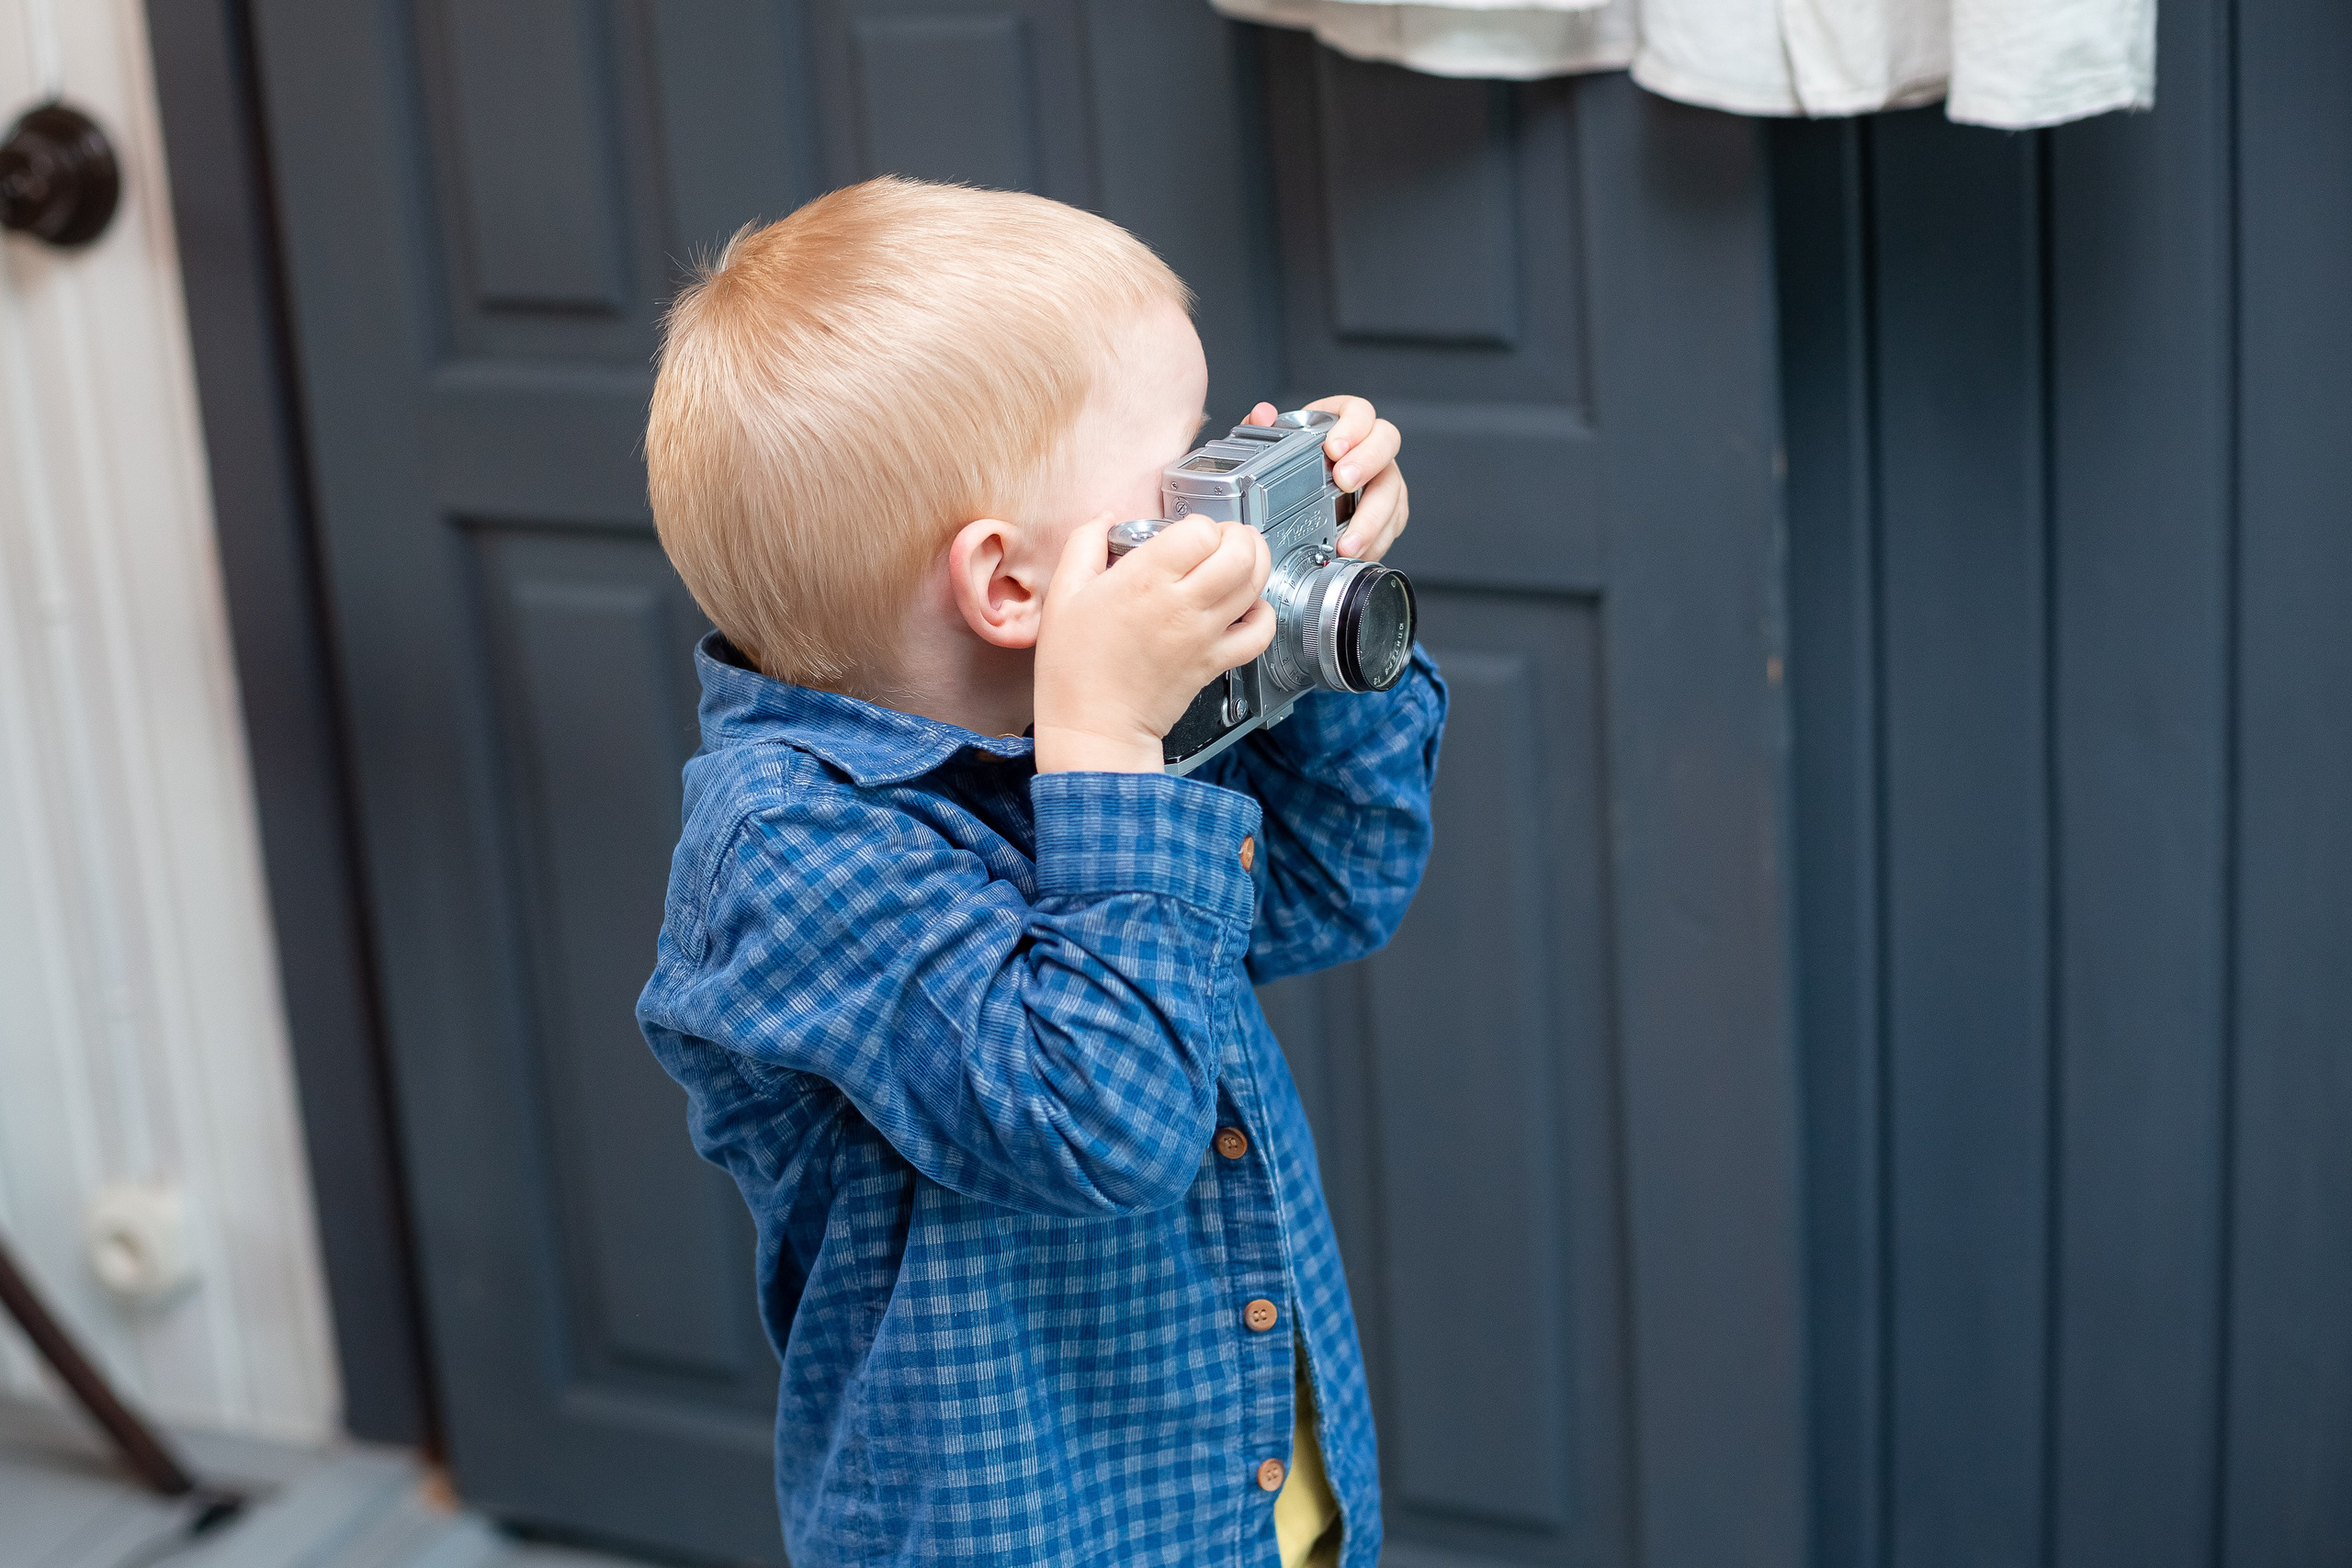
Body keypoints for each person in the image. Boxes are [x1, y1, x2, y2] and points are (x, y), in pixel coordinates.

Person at [635, 176, 1445, 1568]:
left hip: (1254, 1496)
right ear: (1010, 587)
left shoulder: (1074, 730)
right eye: (1178, 467)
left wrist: (1319, 619)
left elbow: (1336, 888)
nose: (1218, 495)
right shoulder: (792, 850)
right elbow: (1099, 1124)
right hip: (1040, 1532)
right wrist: (1107, 748)